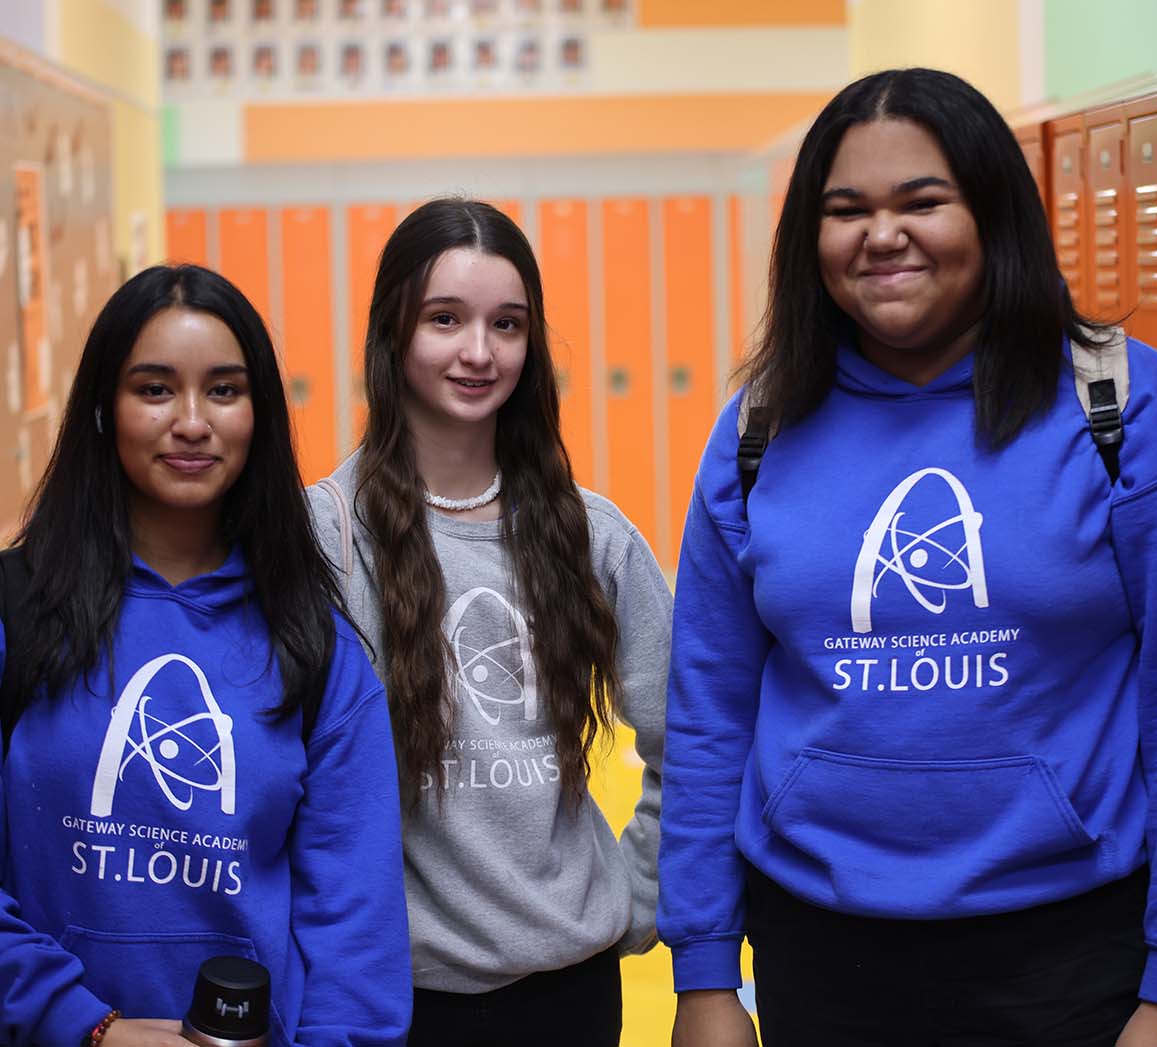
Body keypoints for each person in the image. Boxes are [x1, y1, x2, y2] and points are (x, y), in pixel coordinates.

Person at [657, 68, 1157, 1047]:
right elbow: (707, 710)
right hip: (818, 954)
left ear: (991, 212)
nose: (882, 235)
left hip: (1070, 961)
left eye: (923, 202)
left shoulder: (1128, 411)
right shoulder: (758, 432)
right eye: (845, 209)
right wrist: (702, 972)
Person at [0, 265, 411, 1046]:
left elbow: (355, 950)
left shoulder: (316, 651)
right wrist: (84, 1025)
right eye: (155, 389)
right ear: (101, 408)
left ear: (258, 414)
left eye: (223, 390)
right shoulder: (16, 612)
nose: (192, 421)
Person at [307, 198, 670, 1047]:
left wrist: (638, 891)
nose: (479, 351)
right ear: (392, 333)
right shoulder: (324, 535)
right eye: (445, 319)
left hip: (570, 994)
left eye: (506, 324)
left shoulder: (594, 535)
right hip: (394, 997)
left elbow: (689, 730)